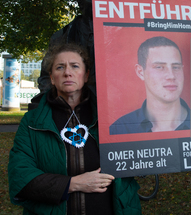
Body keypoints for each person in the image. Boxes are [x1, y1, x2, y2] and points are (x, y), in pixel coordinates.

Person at [8, 43, 141, 214]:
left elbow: (135, 158)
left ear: (86, 75)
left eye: (75, 66)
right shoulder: (32, 122)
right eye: (60, 67)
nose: (67, 72)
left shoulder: (113, 116)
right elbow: (20, 177)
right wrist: (74, 184)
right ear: (51, 77)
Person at [109, 36, 191, 135]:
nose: (171, 76)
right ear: (140, 72)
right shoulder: (120, 129)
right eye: (159, 67)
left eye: (176, 67)